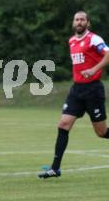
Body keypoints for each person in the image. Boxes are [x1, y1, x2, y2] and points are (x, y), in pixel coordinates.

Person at [39, 11, 109, 179]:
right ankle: (55, 168)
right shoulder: (71, 41)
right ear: (73, 23)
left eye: (82, 19)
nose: (79, 22)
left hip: (93, 90)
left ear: (88, 23)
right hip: (77, 90)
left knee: (101, 132)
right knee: (63, 124)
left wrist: (93, 70)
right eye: (76, 19)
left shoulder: (94, 39)